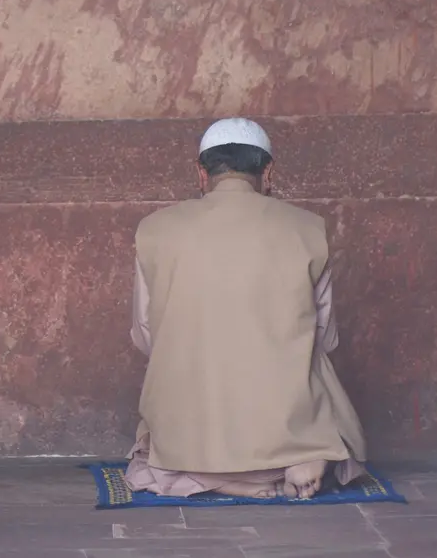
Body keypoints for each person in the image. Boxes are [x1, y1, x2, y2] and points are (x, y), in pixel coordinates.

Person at [125, 117, 366, 500]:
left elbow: (145, 335)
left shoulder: (155, 229)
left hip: (188, 438)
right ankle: (304, 455)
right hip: (286, 426)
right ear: (268, 172)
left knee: (154, 455)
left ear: (201, 173)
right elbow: (327, 336)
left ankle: (219, 478)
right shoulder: (307, 228)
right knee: (323, 386)